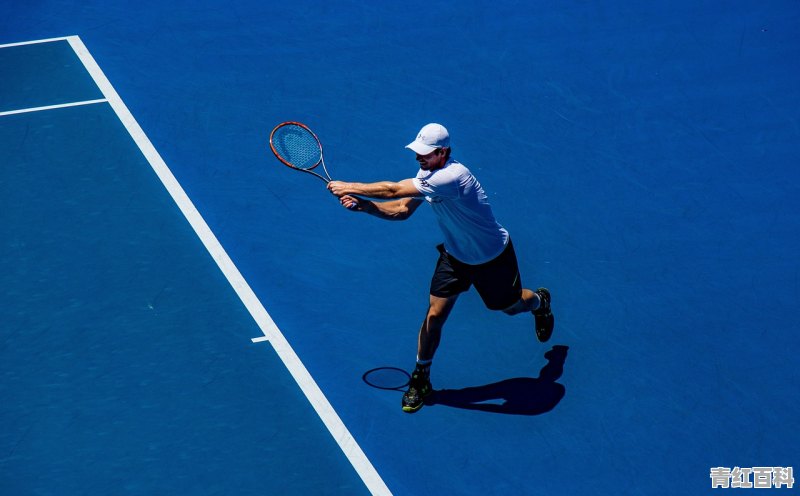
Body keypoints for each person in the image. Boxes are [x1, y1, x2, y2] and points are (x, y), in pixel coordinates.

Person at [327, 123, 554, 413]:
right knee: (434, 315)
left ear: (443, 152)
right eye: (417, 152)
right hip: (455, 257)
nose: (418, 157)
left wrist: (348, 186)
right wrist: (366, 207)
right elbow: (401, 209)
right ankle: (421, 377)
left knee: (509, 307)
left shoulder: (453, 177)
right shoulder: (428, 174)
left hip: (493, 258)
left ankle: (540, 302)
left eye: (425, 153)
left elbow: (393, 189)